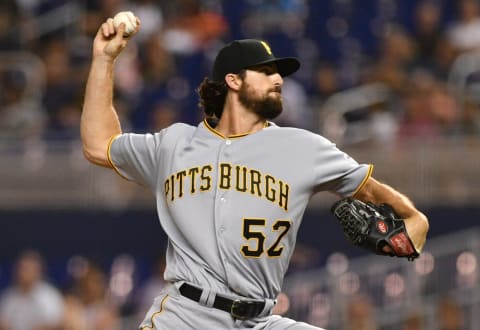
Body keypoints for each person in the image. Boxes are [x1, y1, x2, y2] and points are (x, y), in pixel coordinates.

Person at [80, 15, 429, 330]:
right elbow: (99, 144)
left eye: (278, 72)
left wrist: (414, 226)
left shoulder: (304, 148)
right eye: (265, 71)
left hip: (260, 320)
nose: (277, 78)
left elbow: (393, 206)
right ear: (232, 80)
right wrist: (104, 59)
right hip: (186, 315)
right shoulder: (174, 144)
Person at [0, 250, 64, 330]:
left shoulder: (49, 295)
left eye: (27, 269)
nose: (22, 273)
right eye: (21, 268)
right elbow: (3, 322)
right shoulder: (8, 295)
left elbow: (53, 324)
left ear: (38, 271)